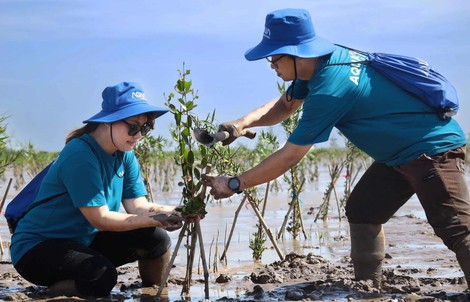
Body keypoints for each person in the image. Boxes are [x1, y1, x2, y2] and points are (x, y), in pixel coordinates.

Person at [202, 8, 470, 288]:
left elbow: (290, 156)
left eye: (274, 57)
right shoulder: (326, 61)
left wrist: (235, 183)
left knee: (457, 230)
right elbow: (285, 105)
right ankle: (369, 288)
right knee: (364, 209)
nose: (271, 65)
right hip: (398, 156)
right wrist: (241, 123)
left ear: (296, 53)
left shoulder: (330, 89)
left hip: (431, 150)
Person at [10, 81, 184, 297]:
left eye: (146, 127)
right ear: (107, 122)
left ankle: (153, 294)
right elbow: (100, 219)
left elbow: (138, 206)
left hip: (83, 240)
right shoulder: (80, 155)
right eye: (133, 126)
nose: (139, 135)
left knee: (156, 238)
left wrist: (176, 211)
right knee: (101, 276)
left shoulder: (125, 154)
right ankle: (46, 295)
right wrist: (156, 218)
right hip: (37, 248)